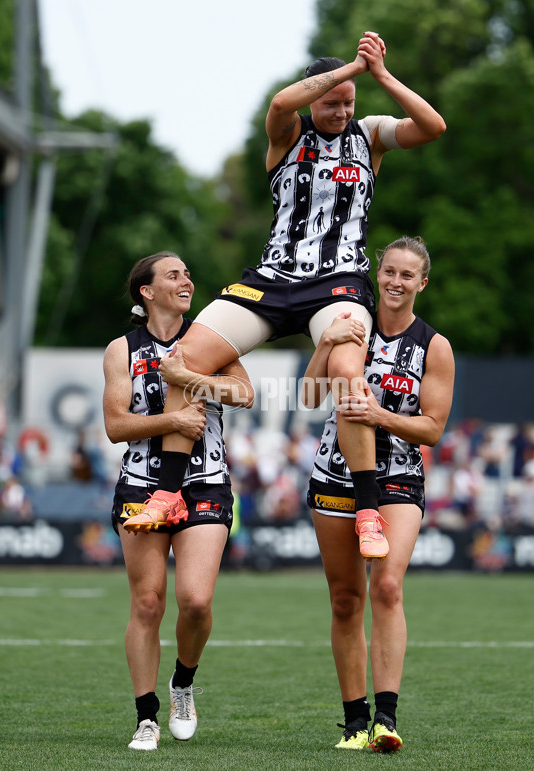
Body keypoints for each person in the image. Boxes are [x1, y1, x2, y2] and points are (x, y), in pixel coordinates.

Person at [123, 31, 446, 555]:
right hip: (272, 279)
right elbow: (278, 101)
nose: (342, 111)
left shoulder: (369, 135)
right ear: (313, 93)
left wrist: (380, 75)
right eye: (331, 101)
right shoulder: (287, 132)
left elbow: (433, 127)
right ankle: (167, 492)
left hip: (337, 282)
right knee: (185, 359)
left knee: (346, 377)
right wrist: (348, 72)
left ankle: (367, 510)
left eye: (348, 103)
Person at [303, 236, 455, 751]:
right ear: (377, 272)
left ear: (422, 283)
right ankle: (353, 722)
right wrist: (326, 341)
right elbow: (308, 396)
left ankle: (386, 720)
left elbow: (432, 429)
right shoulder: (349, 325)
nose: (395, 282)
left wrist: (380, 416)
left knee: (387, 586)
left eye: (407, 275)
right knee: (346, 599)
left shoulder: (434, 346)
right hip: (334, 474)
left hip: (397, 478)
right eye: (389, 271)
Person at [103, 251, 254, 751]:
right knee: (147, 603)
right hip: (141, 485)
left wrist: (189, 378)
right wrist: (171, 420)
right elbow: (116, 426)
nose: (186, 280)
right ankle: (146, 717)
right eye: (173, 275)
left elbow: (243, 393)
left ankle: (183, 683)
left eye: (188, 273)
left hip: (207, 482)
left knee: (196, 600)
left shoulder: (211, 339)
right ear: (146, 292)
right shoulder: (120, 349)